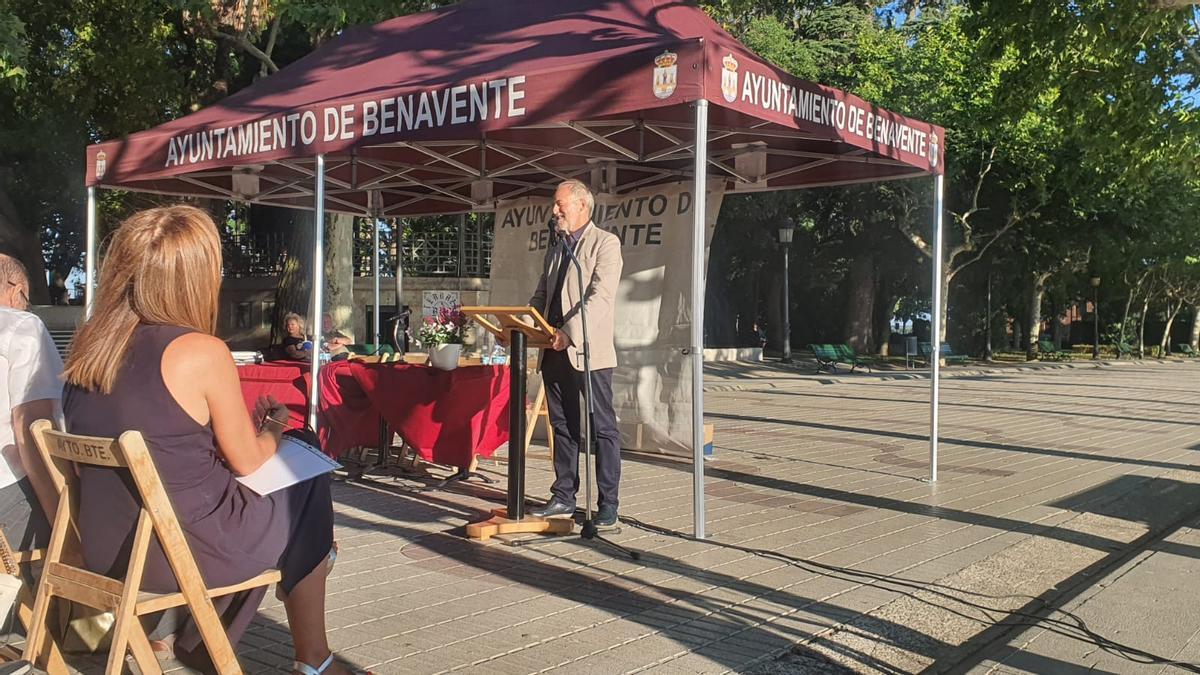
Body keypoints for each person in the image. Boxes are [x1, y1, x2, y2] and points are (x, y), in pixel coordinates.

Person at [62, 206, 366, 675]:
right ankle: (314, 658)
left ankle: (201, 637)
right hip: (181, 553)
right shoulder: (200, 351)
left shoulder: (87, 349)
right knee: (305, 483)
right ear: (195, 277)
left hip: (109, 550)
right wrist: (273, 430)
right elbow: (246, 461)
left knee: (289, 507)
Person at [528, 180, 624, 526]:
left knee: (602, 429)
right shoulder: (556, 247)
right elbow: (542, 293)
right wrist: (527, 324)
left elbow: (600, 298)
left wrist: (569, 334)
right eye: (555, 205)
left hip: (588, 351)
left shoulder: (605, 244)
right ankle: (564, 496)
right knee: (562, 425)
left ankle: (608, 504)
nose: (555, 211)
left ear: (582, 206)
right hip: (552, 349)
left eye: (560, 204)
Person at [0, 254, 60, 556]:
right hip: (7, 489)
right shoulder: (21, 326)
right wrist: (63, 521)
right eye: (26, 299)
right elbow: (32, 430)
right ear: (16, 289)